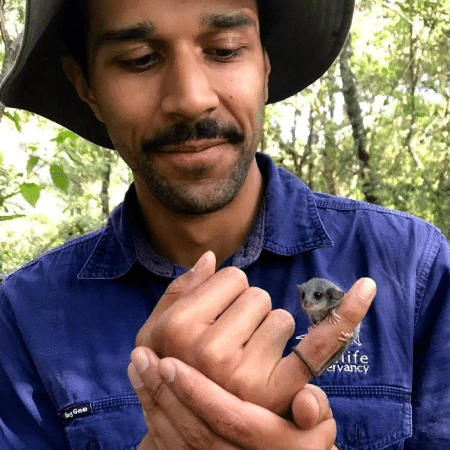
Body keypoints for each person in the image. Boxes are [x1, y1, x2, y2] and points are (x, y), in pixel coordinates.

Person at [0, 0, 449, 448]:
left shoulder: (412, 268)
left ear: (264, 65)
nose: (192, 99)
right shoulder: (24, 317)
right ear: (87, 87)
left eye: (226, 49)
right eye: (139, 59)